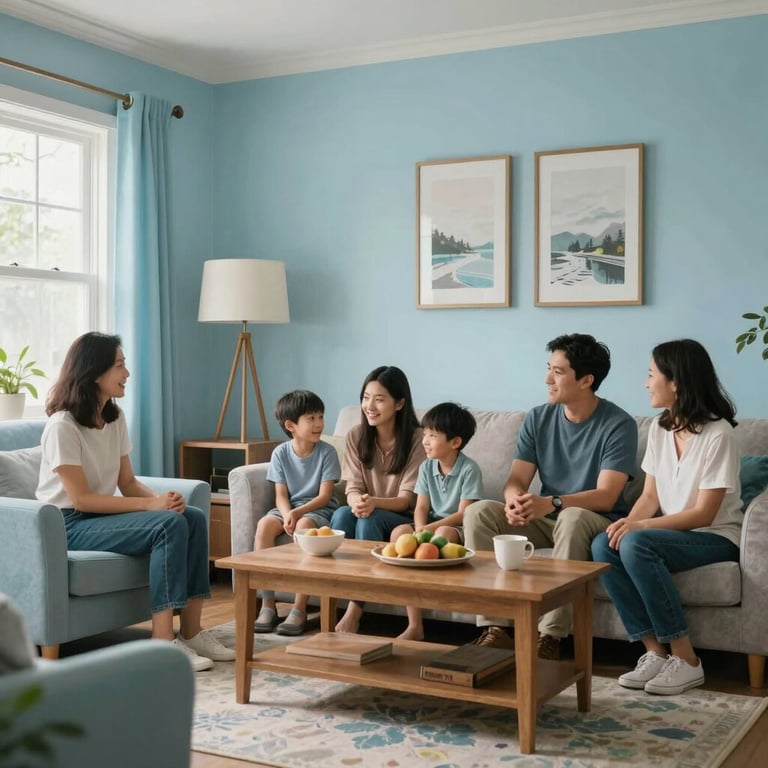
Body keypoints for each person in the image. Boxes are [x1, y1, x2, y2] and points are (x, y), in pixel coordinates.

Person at [36, 332, 234, 672]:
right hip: (66, 524)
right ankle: (162, 643)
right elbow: (81, 499)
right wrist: (151, 508)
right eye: (119, 365)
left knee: (194, 517)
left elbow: (126, 483)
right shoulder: (62, 427)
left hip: (94, 518)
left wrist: (161, 499)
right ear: (93, 372)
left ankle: (192, 631)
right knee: (168, 525)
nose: (127, 373)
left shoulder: (114, 419)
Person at [464, 333, 638, 658]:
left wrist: (553, 502)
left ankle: (551, 637)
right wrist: (515, 499)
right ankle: (496, 627)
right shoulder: (538, 418)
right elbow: (516, 478)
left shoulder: (619, 424)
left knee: (570, 517)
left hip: (595, 521)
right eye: (549, 368)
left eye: (558, 372)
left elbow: (606, 496)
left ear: (586, 380)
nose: (547, 379)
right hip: (547, 518)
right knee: (480, 513)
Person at [591, 339, 742, 695]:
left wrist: (640, 527)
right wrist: (625, 524)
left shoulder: (719, 435)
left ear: (675, 382)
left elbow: (704, 512)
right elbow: (649, 496)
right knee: (604, 544)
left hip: (715, 536)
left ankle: (687, 659)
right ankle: (655, 654)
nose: (645, 383)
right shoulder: (660, 428)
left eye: (650, 375)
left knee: (638, 542)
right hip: (671, 534)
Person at [330, 365, 426, 633]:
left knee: (367, 517)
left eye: (379, 399)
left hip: (400, 515)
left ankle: (355, 609)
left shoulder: (418, 440)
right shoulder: (355, 436)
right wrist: (355, 501)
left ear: (400, 403)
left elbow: (407, 500)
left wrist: (371, 502)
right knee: (340, 516)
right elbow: (353, 487)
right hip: (368, 508)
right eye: (365, 397)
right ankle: (331, 599)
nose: (369, 406)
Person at [389, 402, 484, 641]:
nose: (425, 441)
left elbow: (464, 513)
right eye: (425, 434)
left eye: (432, 436)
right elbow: (421, 506)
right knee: (400, 532)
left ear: (455, 442)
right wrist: (419, 528)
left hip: (456, 526)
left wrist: (427, 530)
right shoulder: (426, 467)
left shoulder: (470, 469)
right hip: (430, 523)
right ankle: (414, 624)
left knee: (443, 533)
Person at [253, 389, 341, 636]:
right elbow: (280, 495)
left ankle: (299, 608)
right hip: (288, 507)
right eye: (311, 418)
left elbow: (324, 496)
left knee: (304, 529)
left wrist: (297, 513)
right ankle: (268, 605)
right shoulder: (280, 453)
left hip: (318, 509)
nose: (319, 424)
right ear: (291, 425)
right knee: (264, 527)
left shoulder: (327, 452)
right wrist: (287, 513)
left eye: (320, 417)